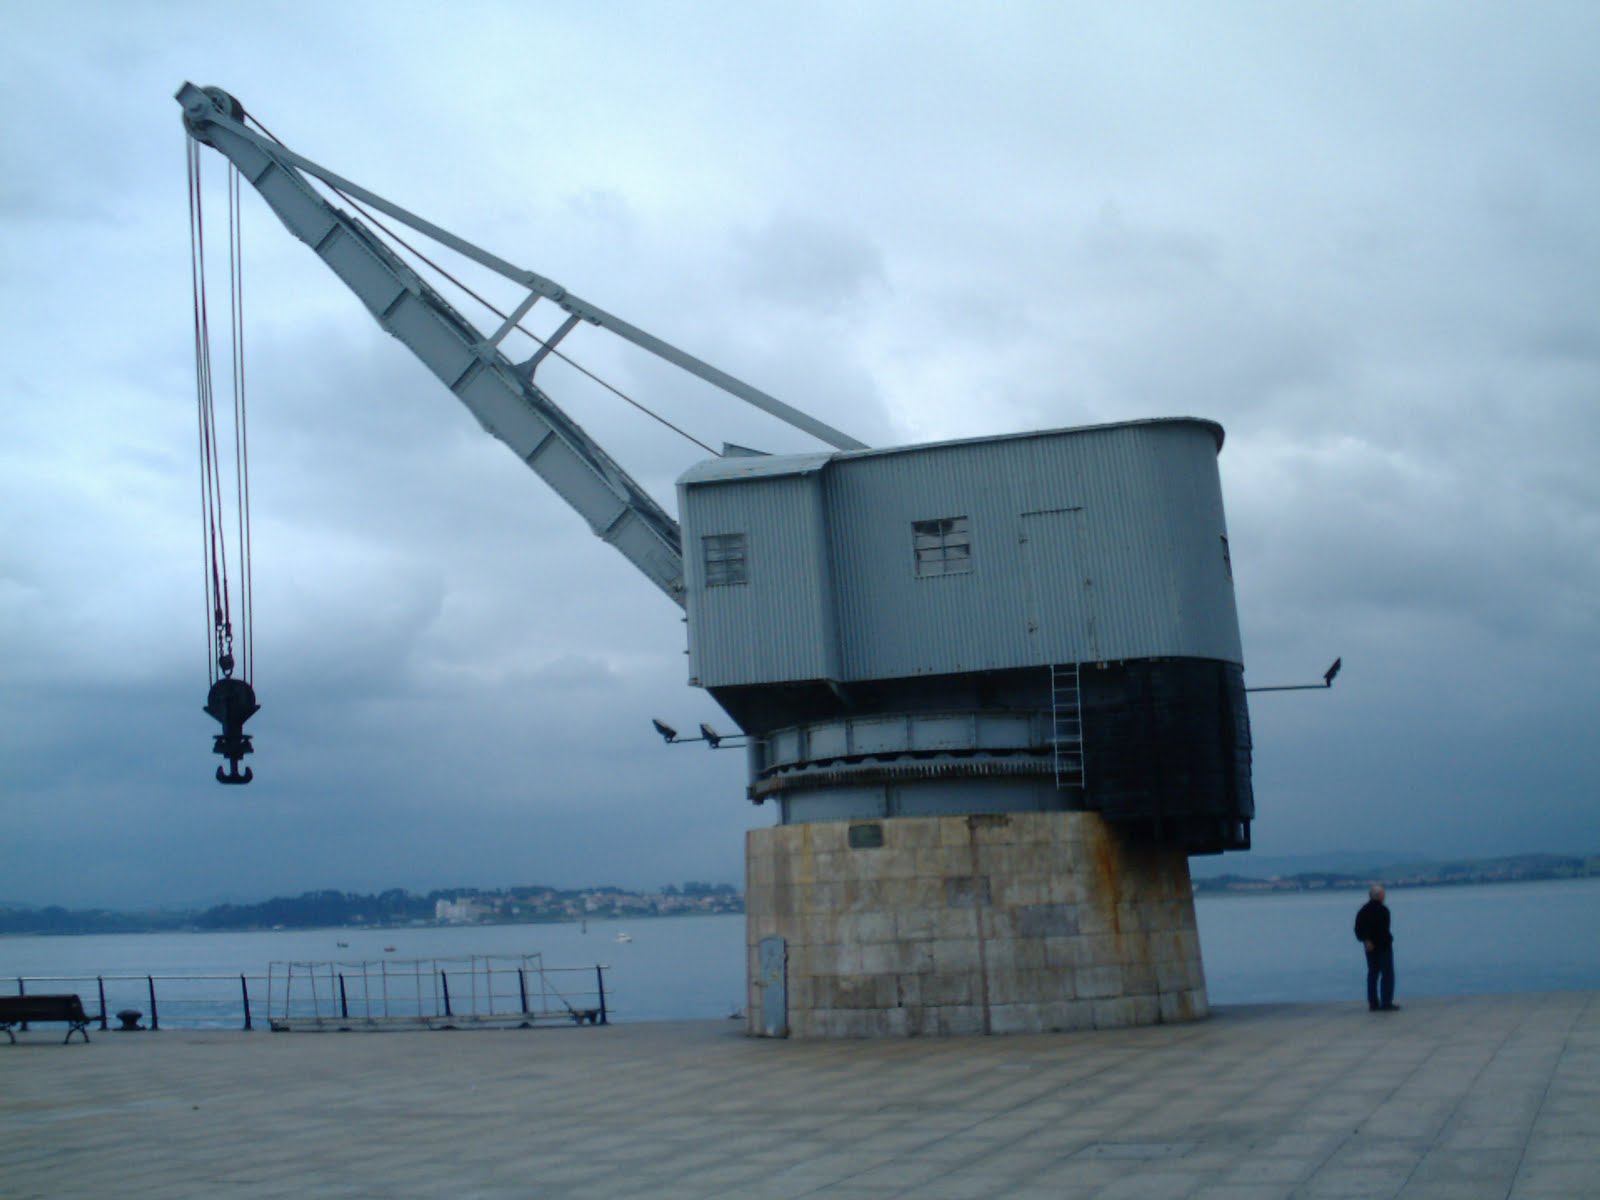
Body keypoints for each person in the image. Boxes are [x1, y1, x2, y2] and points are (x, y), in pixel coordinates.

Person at [1354, 885, 1398, 1011]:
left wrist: (1366, 940)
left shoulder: (1363, 911)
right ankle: (1386, 1002)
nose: (1385, 896)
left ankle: (1373, 1003)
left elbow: (1358, 929)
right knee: (1387, 974)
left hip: (1370, 947)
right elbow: (1384, 929)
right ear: (1378, 895)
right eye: (1383, 894)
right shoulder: (1383, 910)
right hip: (1383, 946)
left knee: (1373, 974)